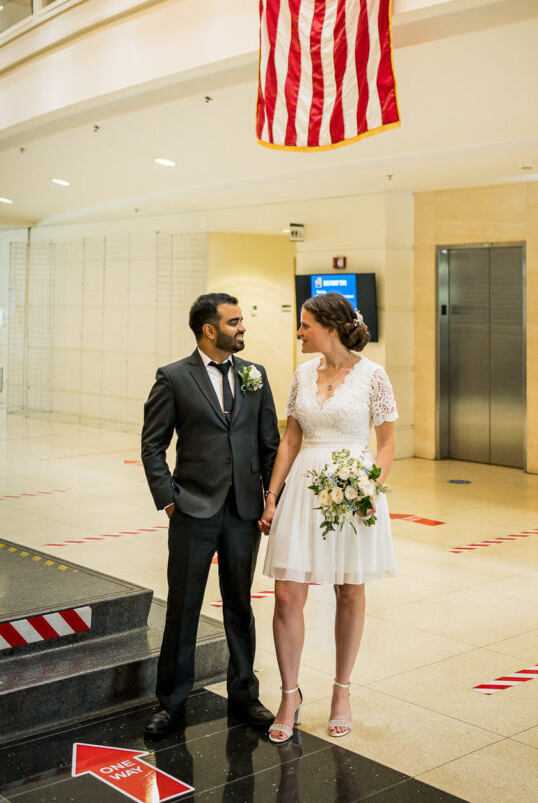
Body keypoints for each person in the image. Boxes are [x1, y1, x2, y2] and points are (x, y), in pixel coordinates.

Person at [259, 292, 398, 743]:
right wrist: (273, 496)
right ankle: (289, 693)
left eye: (305, 325)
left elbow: (388, 443)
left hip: (355, 490)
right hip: (303, 487)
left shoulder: (374, 376)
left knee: (349, 591)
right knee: (286, 596)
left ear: (330, 328)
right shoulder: (301, 375)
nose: (299, 332)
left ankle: (342, 691)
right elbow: (290, 440)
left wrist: (369, 489)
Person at [141, 292, 280, 736]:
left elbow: (269, 443)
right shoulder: (173, 377)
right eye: (235, 322)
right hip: (194, 509)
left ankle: (244, 695)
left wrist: (272, 498)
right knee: (184, 605)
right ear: (209, 329)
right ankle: (171, 703)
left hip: (243, 510)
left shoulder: (255, 375)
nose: (243, 328)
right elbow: (152, 444)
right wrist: (169, 499)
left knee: (240, 604)